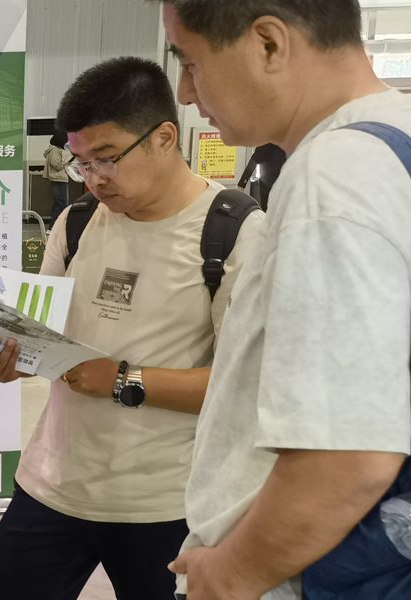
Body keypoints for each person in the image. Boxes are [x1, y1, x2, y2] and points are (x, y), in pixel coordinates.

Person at [0, 57, 267, 600]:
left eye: (107, 158)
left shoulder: (232, 231)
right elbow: (45, 337)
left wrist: (122, 379)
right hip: (52, 487)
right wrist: (13, 360)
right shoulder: (77, 221)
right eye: (81, 163)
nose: (94, 179)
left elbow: (247, 386)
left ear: (164, 137)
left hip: (165, 505)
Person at [157, 1, 411, 598]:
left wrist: (233, 573)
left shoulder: (335, 176)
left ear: (269, 44)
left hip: (304, 576)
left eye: (191, 63)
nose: (186, 92)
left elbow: (348, 454)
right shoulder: (394, 138)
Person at [236, 143, 286, 208]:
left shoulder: (267, 142)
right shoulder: (288, 141)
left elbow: (254, 160)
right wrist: (242, 183)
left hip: (269, 183)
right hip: (282, 182)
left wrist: (241, 184)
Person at [43, 130, 72, 222]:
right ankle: (56, 225)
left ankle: (55, 225)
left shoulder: (54, 150)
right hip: (59, 179)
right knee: (61, 204)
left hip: (58, 179)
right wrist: (67, 161)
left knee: (59, 203)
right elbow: (57, 165)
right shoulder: (54, 150)